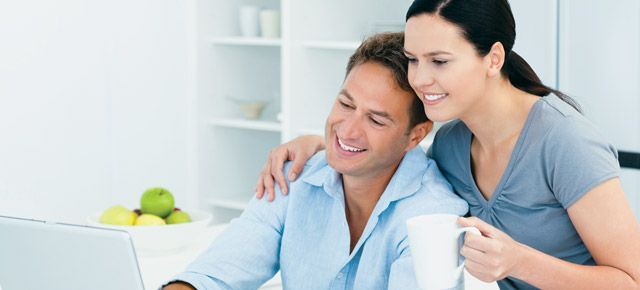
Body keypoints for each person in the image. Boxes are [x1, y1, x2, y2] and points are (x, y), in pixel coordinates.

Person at [254, 0, 640, 289]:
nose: (419, 79)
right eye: (413, 59)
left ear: (493, 59)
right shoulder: (452, 143)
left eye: (439, 61)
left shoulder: (564, 141)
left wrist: (518, 261)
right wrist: (321, 145)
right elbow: (396, 165)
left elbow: (630, 279)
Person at [162, 32, 468, 290]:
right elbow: (217, 272)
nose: (347, 130)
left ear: (415, 135)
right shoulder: (293, 177)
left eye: (376, 120)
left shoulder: (433, 216)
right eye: (346, 104)